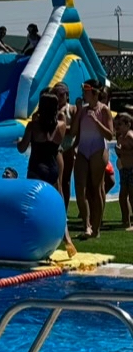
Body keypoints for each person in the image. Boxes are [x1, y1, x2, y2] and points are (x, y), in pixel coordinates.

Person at [17, 91, 77, 257]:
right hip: (53, 168)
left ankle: (33, 240)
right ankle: (67, 239)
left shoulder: (33, 126)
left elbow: (22, 148)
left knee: (31, 206)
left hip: (37, 168)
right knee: (58, 203)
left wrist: (18, 142)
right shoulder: (61, 126)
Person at [71, 79, 114, 239]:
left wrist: (96, 122)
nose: (83, 94)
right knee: (80, 189)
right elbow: (73, 132)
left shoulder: (104, 110)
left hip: (98, 150)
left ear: (94, 93)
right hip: (83, 150)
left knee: (97, 189)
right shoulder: (82, 110)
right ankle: (86, 225)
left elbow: (110, 135)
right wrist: (78, 112)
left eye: (86, 91)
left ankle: (96, 228)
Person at [52, 82, 77, 214]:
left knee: (65, 181)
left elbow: (75, 130)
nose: (59, 97)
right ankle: (56, 209)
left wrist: (62, 129)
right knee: (56, 180)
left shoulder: (71, 109)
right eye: (56, 94)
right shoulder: (52, 108)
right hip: (56, 146)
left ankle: (64, 210)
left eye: (61, 94)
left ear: (67, 95)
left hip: (68, 147)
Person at [114, 113, 133, 230]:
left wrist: (123, 152)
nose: (117, 127)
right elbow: (120, 154)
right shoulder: (120, 138)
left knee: (132, 196)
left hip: (131, 169)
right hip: (124, 169)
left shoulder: (130, 136)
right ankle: (126, 220)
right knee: (122, 196)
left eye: (120, 124)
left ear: (128, 124)